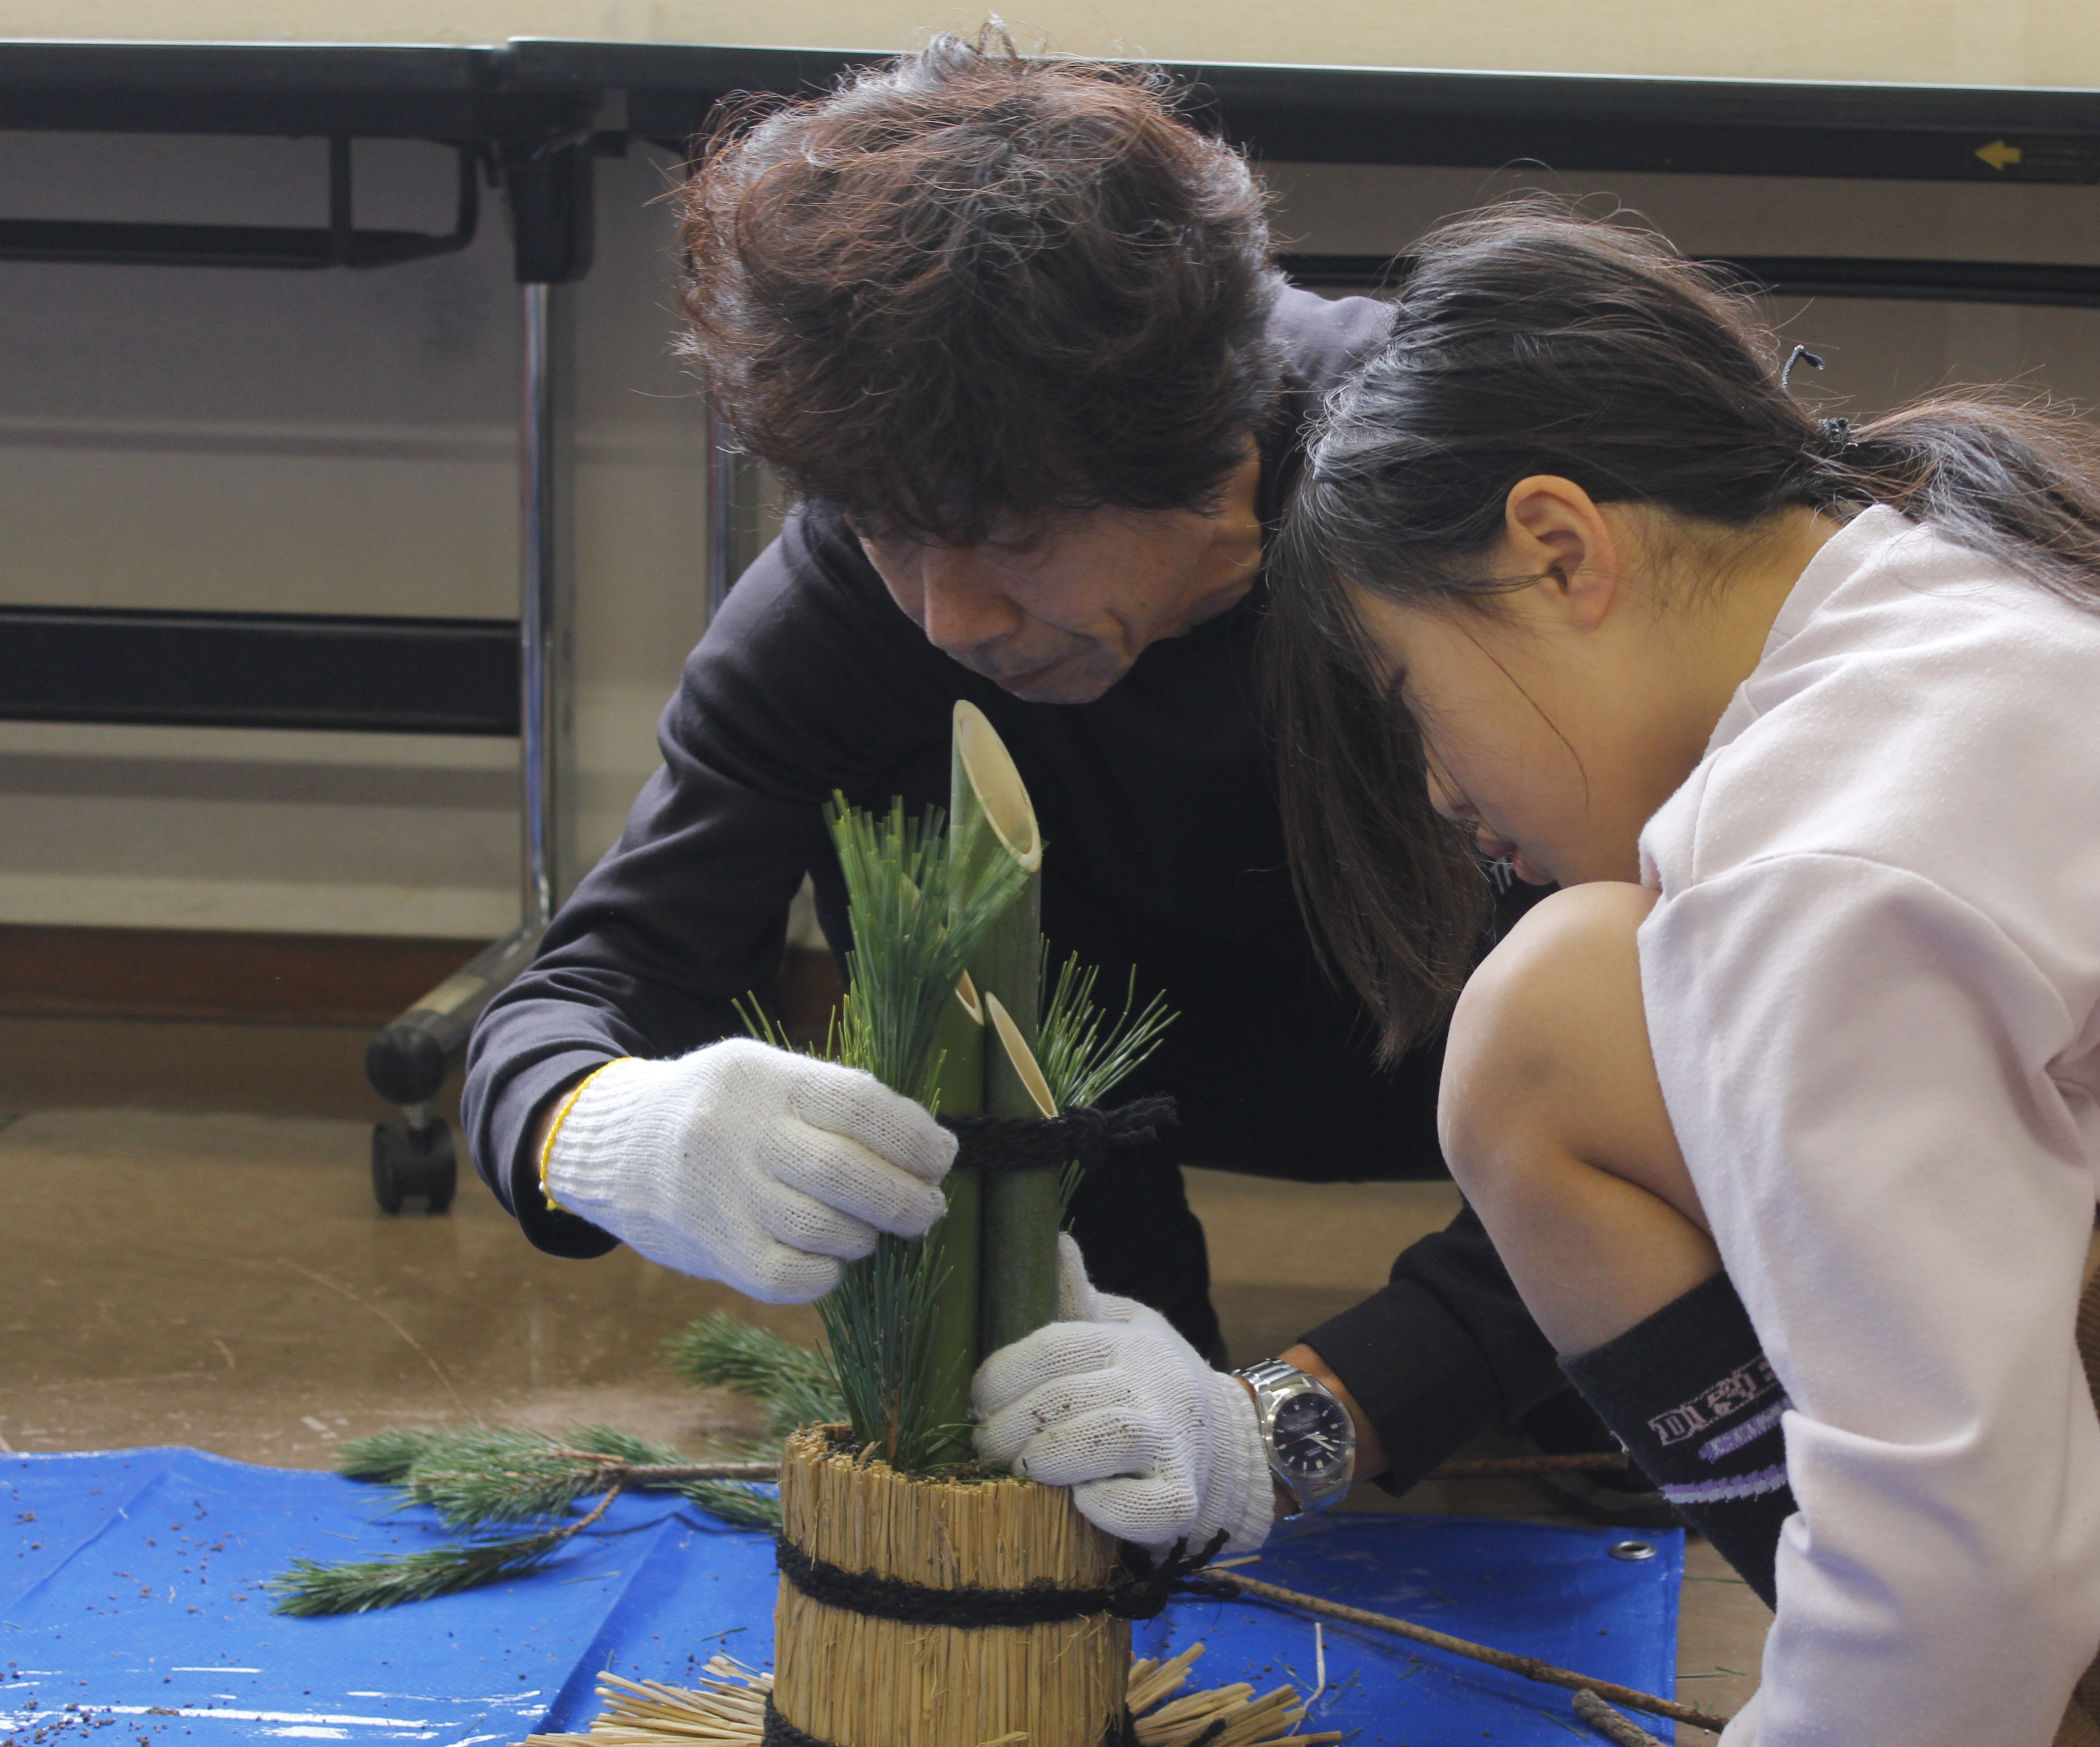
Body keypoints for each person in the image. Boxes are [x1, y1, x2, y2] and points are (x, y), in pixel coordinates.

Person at [1247, 206, 2100, 1743]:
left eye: (1413, 705)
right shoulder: (1983, 585)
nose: (1438, 794)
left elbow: (1972, 1565)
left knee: (1551, 1034)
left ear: (1559, 552)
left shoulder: (1819, 843)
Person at [461, 34, 1633, 1550]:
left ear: (1213, 460)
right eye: (885, 532)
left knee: (1619, 1387)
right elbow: (584, 988)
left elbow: (1724, 1052)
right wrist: (613, 1125)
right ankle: (1099, 1353)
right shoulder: (860, 586)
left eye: (1010, 540)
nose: (947, 615)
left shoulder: (1458, 493)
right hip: (1096, 1128)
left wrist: (1318, 1410)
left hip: (1518, 1087)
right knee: (1090, 1493)